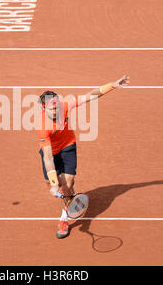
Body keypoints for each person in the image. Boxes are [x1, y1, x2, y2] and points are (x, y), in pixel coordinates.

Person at [37, 75, 130, 238]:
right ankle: (69, 197)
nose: (55, 111)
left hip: (67, 147)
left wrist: (112, 85)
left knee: (67, 184)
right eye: (51, 109)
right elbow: (47, 158)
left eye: (56, 107)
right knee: (52, 184)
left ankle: (64, 218)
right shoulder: (43, 127)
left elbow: (90, 96)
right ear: (44, 109)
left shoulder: (65, 106)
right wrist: (52, 183)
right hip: (51, 152)